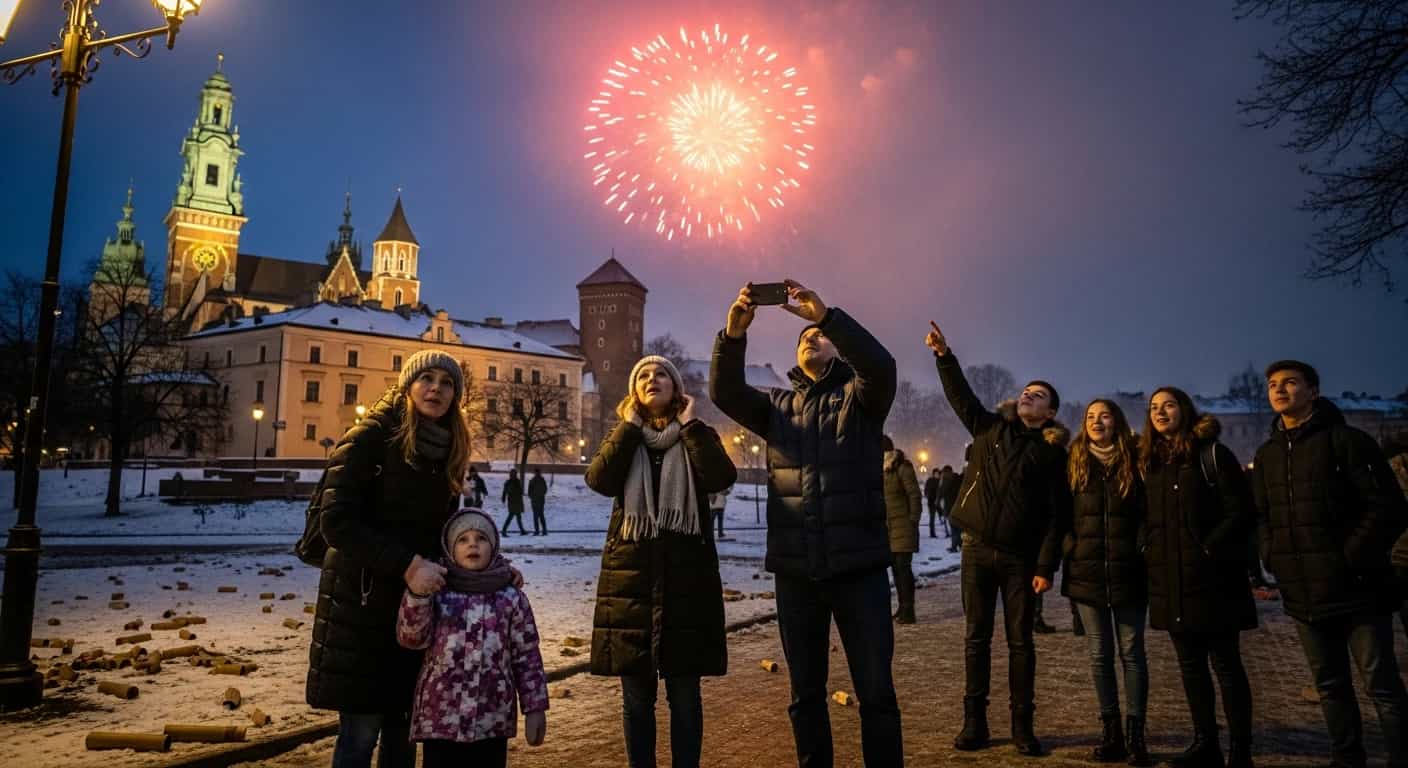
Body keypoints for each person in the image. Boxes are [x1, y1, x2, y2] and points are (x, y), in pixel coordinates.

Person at [711, 280, 902, 767]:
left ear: (836, 347)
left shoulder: (861, 400)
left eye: (818, 335)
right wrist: (734, 333)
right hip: (797, 573)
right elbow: (726, 392)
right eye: (803, 338)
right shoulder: (777, 406)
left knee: (876, 692)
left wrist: (827, 315)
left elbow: (881, 366)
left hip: (859, 570)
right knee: (805, 694)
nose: (810, 339)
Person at [306, 349, 473, 768]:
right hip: (361, 607)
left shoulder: (448, 448)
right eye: (427, 378)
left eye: (447, 382)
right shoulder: (371, 436)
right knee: (360, 737)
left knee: (404, 736)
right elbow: (336, 522)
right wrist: (408, 565)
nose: (436, 388)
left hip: (414, 613)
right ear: (408, 386)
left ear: (456, 395)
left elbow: (441, 535)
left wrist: (488, 572)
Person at [924, 321, 1071, 756]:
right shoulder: (990, 430)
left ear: (1049, 414)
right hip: (975, 551)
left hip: (1019, 560)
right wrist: (944, 356)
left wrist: (1046, 566)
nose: (1029, 395)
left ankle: (1023, 726)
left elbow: (1056, 517)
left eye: (1039, 395)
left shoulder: (1049, 455)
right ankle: (975, 723)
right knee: (976, 638)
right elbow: (960, 398)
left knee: (1021, 642)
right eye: (1027, 390)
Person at [1251, 361, 1408, 768]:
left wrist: (1348, 558)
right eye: (1273, 384)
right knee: (1330, 685)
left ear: (1314, 391)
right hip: (1303, 590)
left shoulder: (1348, 441)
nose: (1280, 390)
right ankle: (1347, 757)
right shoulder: (1268, 454)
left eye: (1290, 383)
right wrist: (1273, 555)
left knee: (1382, 685)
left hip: (1358, 589)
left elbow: (1387, 507)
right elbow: (1263, 515)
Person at [586, 355, 737, 768]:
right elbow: (599, 479)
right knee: (636, 702)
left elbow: (721, 477)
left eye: (661, 375)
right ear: (634, 392)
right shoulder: (624, 436)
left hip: (687, 586)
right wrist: (630, 427)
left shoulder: (694, 435)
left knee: (685, 698)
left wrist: (690, 427)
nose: (652, 380)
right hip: (629, 585)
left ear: (676, 389)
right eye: (643, 377)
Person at [1141, 387, 1257, 768]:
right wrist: (1148, 548)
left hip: (1213, 579)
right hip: (1172, 580)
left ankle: (1240, 748)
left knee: (1226, 665)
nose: (1161, 412)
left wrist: (1208, 549)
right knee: (1190, 667)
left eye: (1169, 405)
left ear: (1185, 411)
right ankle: (1205, 740)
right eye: (1154, 407)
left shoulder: (1211, 454)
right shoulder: (1153, 461)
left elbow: (1239, 510)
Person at [396, 508, 548, 767]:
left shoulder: (510, 598)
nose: (473, 544)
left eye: (481, 538)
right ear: (450, 549)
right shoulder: (437, 591)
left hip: (491, 718)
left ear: (494, 546)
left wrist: (535, 707)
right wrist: (418, 596)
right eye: (463, 539)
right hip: (441, 717)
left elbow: (527, 655)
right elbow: (412, 638)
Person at [1063, 400, 1151, 765]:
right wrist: (1073, 546)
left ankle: (1136, 736)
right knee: (1099, 656)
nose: (1097, 421)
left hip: (1129, 571)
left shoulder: (1135, 460)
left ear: (1116, 421)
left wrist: (1141, 546)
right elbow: (1059, 511)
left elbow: (1149, 512)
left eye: (1105, 415)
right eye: (1090, 417)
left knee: (1132, 653)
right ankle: (1111, 731)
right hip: (1087, 574)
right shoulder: (1074, 461)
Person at [883, 436, 923, 625]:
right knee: (896, 571)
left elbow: (914, 494)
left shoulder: (901, 467)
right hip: (890, 530)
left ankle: (909, 610)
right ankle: (902, 606)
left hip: (904, 528)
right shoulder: (882, 471)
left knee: (903, 569)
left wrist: (913, 520)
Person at [941, 464, 963, 552]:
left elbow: (942, 492)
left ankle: (954, 547)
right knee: (958, 528)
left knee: (954, 529)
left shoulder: (947, 480)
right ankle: (960, 545)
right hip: (959, 507)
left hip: (950, 507)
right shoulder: (958, 479)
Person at [501, 468, 527, 536]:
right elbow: (505, 491)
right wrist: (504, 498)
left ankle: (522, 530)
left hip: (516, 502)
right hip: (513, 502)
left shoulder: (515, 482)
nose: (514, 475)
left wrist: (503, 498)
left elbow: (520, 491)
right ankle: (504, 530)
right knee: (511, 516)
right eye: (513, 474)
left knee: (518, 517)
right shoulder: (510, 482)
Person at [528, 467, 549, 536]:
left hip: (536, 501)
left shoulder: (533, 480)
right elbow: (545, 490)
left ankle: (538, 531)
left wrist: (533, 496)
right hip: (539, 500)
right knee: (540, 516)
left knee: (537, 516)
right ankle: (543, 530)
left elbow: (529, 492)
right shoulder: (541, 480)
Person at [925, 468, 943, 539]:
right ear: (933, 474)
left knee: (942, 515)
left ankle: (946, 529)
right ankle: (932, 533)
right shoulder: (930, 480)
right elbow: (927, 490)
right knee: (932, 518)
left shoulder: (939, 481)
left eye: (938, 474)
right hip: (932, 502)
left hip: (937, 501)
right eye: (936, 473)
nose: (937, 475)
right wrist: (928, 495)